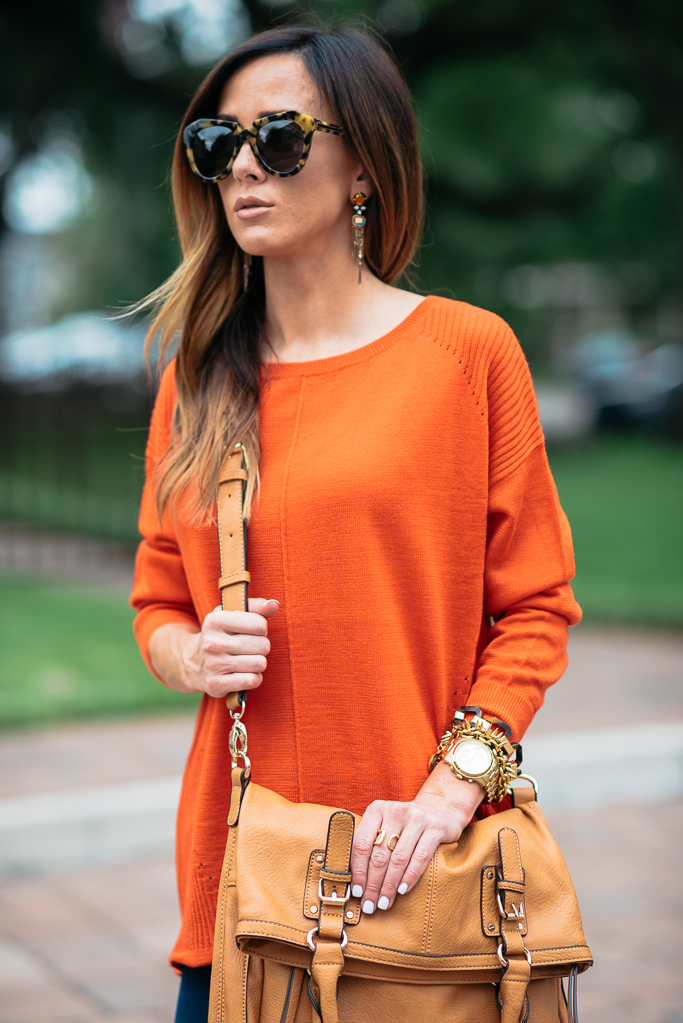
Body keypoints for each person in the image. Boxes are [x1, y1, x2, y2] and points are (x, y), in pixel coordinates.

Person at [130, 24, 581, 1022]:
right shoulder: (198, 381)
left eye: (279, 138)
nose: (242, 166)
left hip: (429, 877)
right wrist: (193, 657)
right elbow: (156, 598)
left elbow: (536, 608)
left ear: (363, 168)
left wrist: (445, 797)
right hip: (242, 880)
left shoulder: (467, 354)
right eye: (217, 143)